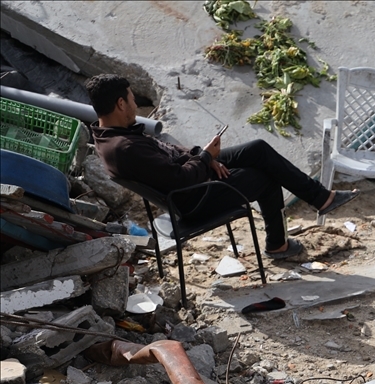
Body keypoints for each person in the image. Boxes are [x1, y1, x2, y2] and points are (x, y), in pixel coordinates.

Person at [85, 74, 357, 259]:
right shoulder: (125, 148)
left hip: (193, 179)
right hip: (194, 199)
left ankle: (321, 198)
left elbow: (170, 152)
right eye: (132, 99)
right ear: (121, 103)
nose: (134, 103)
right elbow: (181, 180)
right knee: (264, 175)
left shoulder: (109, 134)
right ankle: (278, 244)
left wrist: (206, 156)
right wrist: (204, 159)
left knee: (257, 149)